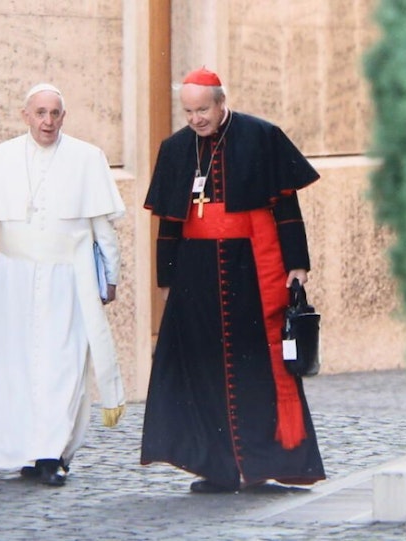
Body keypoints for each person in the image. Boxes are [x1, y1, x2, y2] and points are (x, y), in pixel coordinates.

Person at [140, 67, 326, 493]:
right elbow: (169, 222)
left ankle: (262, 462)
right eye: (188, 112)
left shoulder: (261, 136)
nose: (196, 120)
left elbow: (285, 207)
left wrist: (297, 263)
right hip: (196, 274)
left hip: (252, 268)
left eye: (203, 110)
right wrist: (166, 278)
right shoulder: (175, 148)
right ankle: (217, 467)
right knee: (203, 368)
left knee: (257, 366)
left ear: (222, 103)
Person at [0, 83, 127, 487]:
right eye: (40, 113)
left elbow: (102, 228)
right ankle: (27, 450)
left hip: (68, 279)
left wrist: (111, 276)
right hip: (14, 279)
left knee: (63, 366)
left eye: (55, 113)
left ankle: (51, 455)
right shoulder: (2, 157)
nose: (48, 121)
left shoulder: (87, 158)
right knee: (16, 366)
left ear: (64, 117)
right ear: (26, 116)